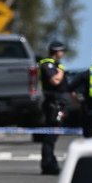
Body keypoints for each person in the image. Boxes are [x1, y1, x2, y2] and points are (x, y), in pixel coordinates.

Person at [38, 41, 69, 175]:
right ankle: (48, 164)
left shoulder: (53, 64)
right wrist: (61, 70)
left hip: (57, 103)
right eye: (61, 51)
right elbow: (55, 80)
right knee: (50, 135)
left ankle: (50, 162)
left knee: (53, 135)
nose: (62, 54)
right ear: (56, 52)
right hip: (52, 104)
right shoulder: (48, 64)